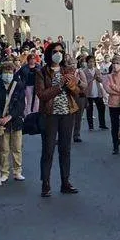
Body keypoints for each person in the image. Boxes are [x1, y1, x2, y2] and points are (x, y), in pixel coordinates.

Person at [35, 42, 82, 197]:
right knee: (48, 150)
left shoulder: (67, 71)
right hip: (50, 114)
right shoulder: (42, 72)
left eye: (61, 51)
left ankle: (65, 182)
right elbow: (41, 94)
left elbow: (78, 92)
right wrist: (59, 86)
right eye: (55, 51)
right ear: (49, 53)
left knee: (65, 149)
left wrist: (72, 86)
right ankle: (46, 183)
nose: (58, 54)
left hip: (67, 113)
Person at [0, 62, 26, 182]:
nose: (8, 74)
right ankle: (4, 172)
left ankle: (17, 171)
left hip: (15, 121)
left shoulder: (19, 85)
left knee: (17, 148)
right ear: (1, 73)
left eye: (10, 72)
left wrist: (10, 116)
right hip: (1, 121)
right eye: (5, 72)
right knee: (3, 149)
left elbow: (21, 104)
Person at [82, 55, 108, 130]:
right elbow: (85, 82)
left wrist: (99, 78)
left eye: (93, 62)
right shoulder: (84, 71)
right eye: (90, 62)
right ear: (87, 63)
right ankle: (91, 126)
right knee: (89, 109)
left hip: (97, 91)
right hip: (88, 93)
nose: (92, 63)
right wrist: (93, 77)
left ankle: (102, 124)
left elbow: (101, 80)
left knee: (101, 108)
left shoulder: (97, 70)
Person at [67, 56, 88, 143]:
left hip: (79, 95)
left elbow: (85, 85)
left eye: (74, 63)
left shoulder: (80, 72)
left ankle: (76, 135)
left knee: (78, 117)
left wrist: (78, 81)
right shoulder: (66, 73)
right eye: (70, 63)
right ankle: (66, 135)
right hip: (69, 96)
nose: (73, 65)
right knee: (68, 117)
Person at [17, 53, 40, 118]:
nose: (32, 60)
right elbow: (18, 75)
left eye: (33, 59)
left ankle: (36, 113)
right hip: (27, 86)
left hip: (37, 86)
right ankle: (28, 114)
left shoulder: (39, 67)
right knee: (28, 100)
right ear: (28, 60)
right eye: (31, 59)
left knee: (37, 100)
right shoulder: (24, 68)